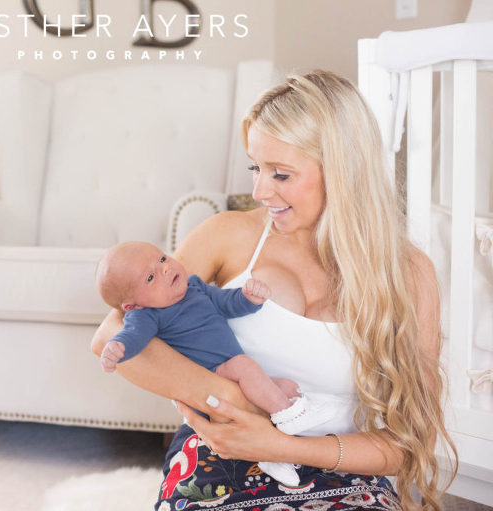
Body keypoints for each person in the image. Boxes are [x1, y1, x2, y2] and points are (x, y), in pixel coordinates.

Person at [91, 70, 456, 511]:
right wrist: (232, 400)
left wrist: (281, 444)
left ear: (343, 172)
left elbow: (412, 444)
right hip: (220, 453)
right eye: (255, 167)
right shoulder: (227, 236)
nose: (259, 191)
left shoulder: (408, 273)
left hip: (340, 465)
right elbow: (110, 335)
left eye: (280, 174)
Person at [95, 241, 338, 486]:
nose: (165, 269)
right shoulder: (146, 315)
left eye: (162, 259)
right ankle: (289, 416)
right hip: (212, 379)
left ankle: (273, 455)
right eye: (150, 277)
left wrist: (248, 298)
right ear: (132, 305)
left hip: (230, 372)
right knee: (245, 366)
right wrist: (118, 348)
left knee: (287, 386)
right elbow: (133, 336)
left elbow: (226, 303)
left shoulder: (196, 287)